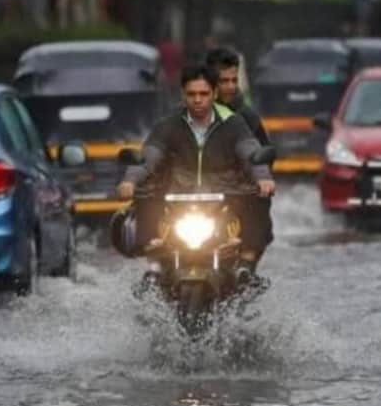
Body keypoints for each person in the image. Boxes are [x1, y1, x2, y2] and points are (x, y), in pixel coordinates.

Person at [116, 64, 276, 278]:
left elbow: (250, 152)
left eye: (204, 94)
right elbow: (149, 157)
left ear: (214, 94)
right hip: (178, 199)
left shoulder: (233, 123)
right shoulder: (168, 125)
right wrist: (130, 181)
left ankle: (245, 266)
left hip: (225, 198)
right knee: (146, 193)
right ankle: (155, 265)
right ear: (183, 94)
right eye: (191, 94)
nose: (198, 100)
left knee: (258, 199)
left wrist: (263, 178)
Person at [205, 47, 269, 146]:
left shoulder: (248, 117)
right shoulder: (192, 114)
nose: (231, 86)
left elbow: (265, 151)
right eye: (224, 81)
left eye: (234, 80)